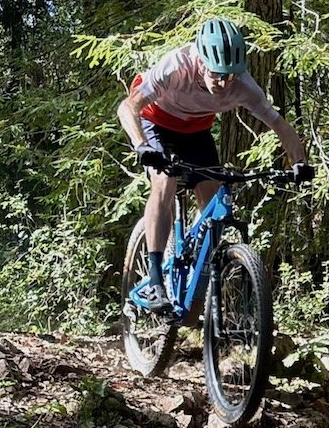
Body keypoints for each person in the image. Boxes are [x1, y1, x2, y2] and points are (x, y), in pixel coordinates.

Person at [117, 17, 313, 313]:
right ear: (200, 61)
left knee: (214, 199)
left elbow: (279, 125)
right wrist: (141, 145)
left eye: (230, 76)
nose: (223, 84)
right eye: (217, 74)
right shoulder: (176, 66)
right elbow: (128, 106)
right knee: (164, 181)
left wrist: (299, 162)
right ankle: (155, 278)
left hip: (195, 131)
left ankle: (195, 277)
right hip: (155, 122)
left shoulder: (244, 85)